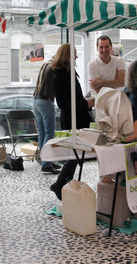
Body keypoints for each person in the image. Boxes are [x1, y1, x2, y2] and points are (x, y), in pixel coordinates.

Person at [49, 44, 94, 200]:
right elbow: (63, 103)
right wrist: (86, 104)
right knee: (75, 153)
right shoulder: (61, 75)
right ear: (67, 55)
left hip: (78, 118)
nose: (76, 56)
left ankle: (63, 183)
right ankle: (61, 183)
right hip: (72, 120)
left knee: (76, 154)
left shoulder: (67, 73)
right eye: (74, 54)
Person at [33, 59, 60, 174]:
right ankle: (46, 163)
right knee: (49, 133)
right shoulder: (55, 67)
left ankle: (44, 158)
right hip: (45, 101)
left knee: (42, 133)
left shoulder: (46, 65)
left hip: (36, 100)